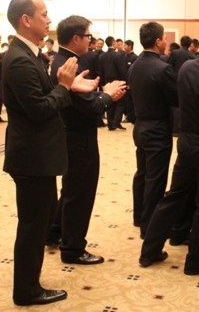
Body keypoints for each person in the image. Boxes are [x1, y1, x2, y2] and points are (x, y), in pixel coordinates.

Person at [1, 0, 98, 306]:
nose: (49, 19)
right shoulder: (19, 58)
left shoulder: (28, 53)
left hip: (37, 155)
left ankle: (30, 284)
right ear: (26, 20)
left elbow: (41, 96)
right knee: (33, 227)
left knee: (39, 223)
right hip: (31, 157)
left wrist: (65, 85)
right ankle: (27, 290)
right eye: (43, 14)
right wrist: (64, 86)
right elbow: (40, 109)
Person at [139, 22, 199, 273]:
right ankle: (196, 262)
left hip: (185, 143)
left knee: (173, 196)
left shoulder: (187, 67)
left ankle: (149, 250)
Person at [46, 15, 126, 265]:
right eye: (88, 37)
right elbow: (89, 107)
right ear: (76, 38)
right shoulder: (68, 65)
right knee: (80, 193)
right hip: (78, 135)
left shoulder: (65, 60)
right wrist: (107, 96)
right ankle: (73, 248)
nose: (91, 41)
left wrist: (100, 93)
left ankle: (55, 231)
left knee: (72, 189)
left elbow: (84, 98)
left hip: (72, 133)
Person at [128, 21, 179, 238]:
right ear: (158, 41)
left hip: (139, 125)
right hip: (157, 127)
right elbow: (176, 98)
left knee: (142, 173)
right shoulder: (162, 68)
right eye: (164, 38)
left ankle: (139, 216)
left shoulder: (134, 65)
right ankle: (149, 227)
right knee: (155, 179)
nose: (166, 42)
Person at [99, 36, 127, 131]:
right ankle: (116, 122)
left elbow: (101, 71)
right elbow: (122, 69)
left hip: (107, 81)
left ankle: (110, 124)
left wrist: (102, 84)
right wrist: (125, 81)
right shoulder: (118, 55)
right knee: (121, 102)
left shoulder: (102, 56)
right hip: (118, 80)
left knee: (110, 102)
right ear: (113, 42)